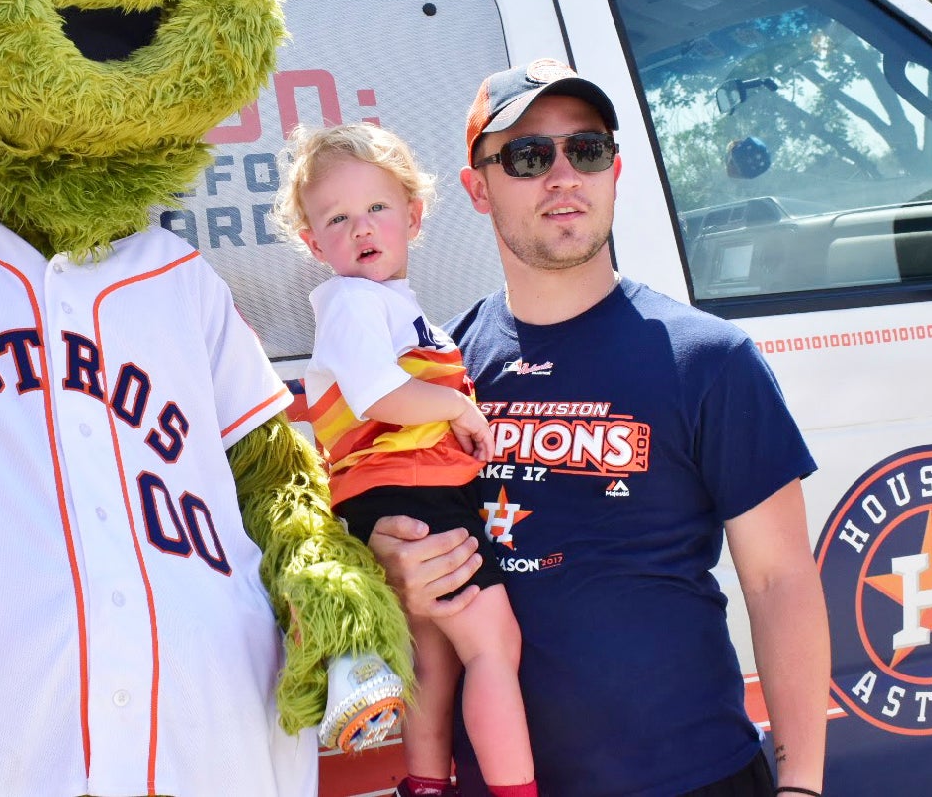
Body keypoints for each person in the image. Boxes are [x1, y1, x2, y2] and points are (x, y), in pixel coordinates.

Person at [368, 59, 830, 797]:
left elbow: (780, 582)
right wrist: (392, 565)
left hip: (693, 779)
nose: (562, 175)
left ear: (614, 170)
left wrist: (801, 784)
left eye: (585, 149)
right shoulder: (437, 374)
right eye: (527, 155)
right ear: (477, 188)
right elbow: (397, 541)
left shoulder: (709, 358)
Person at [272, 124, 537, 797]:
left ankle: (425, 783)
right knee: (494, 645)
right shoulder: (354, 302)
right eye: (337, 217)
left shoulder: (390, 304)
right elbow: (379, 394)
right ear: (313, 241)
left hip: (404, 495)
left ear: (413, 216)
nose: (361, 227)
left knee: (437, 659)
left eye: (377, 208)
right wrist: (459, 409)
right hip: (412, 493)